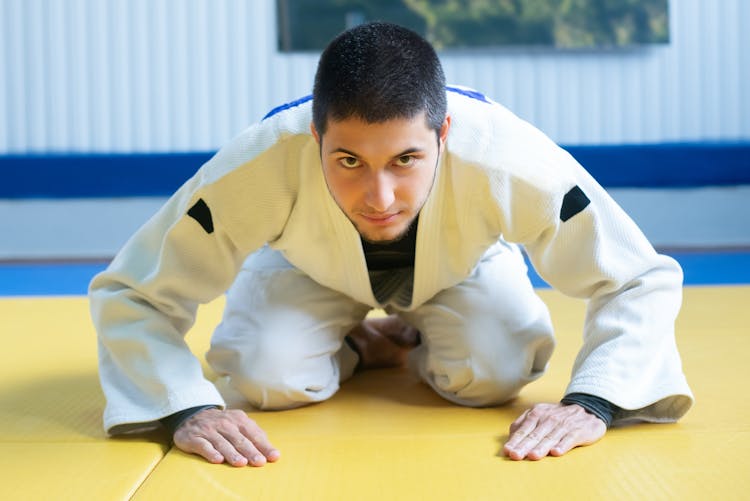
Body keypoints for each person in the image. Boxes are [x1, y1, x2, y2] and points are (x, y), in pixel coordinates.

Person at [89, 22, 693, 466]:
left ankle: (416, 333)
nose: (379, 196)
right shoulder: (259, 162)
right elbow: (133, 291)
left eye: (406, 159)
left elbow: (637, 275)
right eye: (347, 159)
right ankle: (359, 342)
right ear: (314, 133)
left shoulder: (509, 158)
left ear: (444, 132)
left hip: (462, 264)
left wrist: (595, 402)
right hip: (305, 266)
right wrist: (183, 408)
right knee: (260, 377)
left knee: (493, 372)